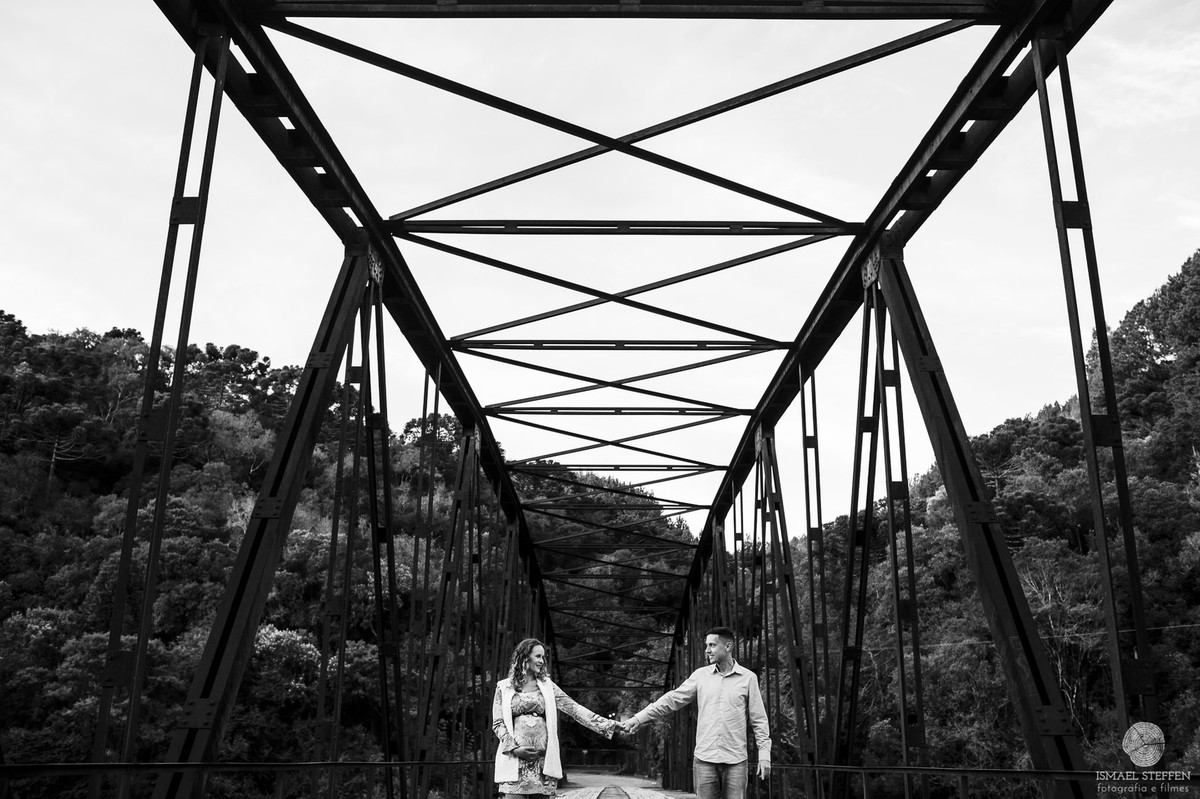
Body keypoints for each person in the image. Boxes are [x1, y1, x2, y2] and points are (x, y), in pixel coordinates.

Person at [619, 626, 770, 799]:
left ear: (727, 647)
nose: (707, 650)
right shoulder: (700, 676)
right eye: (706, 645)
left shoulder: (748, 678)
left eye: (712, 645)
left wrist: (764, 755)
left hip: (736, 761)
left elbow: (759, 720)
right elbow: (671, 700)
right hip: (705, 759)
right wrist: (638, 718)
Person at [492, 637, 617, 797]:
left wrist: (608, 725)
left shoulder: (548, 687)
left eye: (543, 657)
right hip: (514, 759)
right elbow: (498, 723)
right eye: (538, 656)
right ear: (524, 657)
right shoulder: (504, 687)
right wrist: (515, 749)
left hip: (543, 763)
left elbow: (574, 709)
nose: (542, 661)